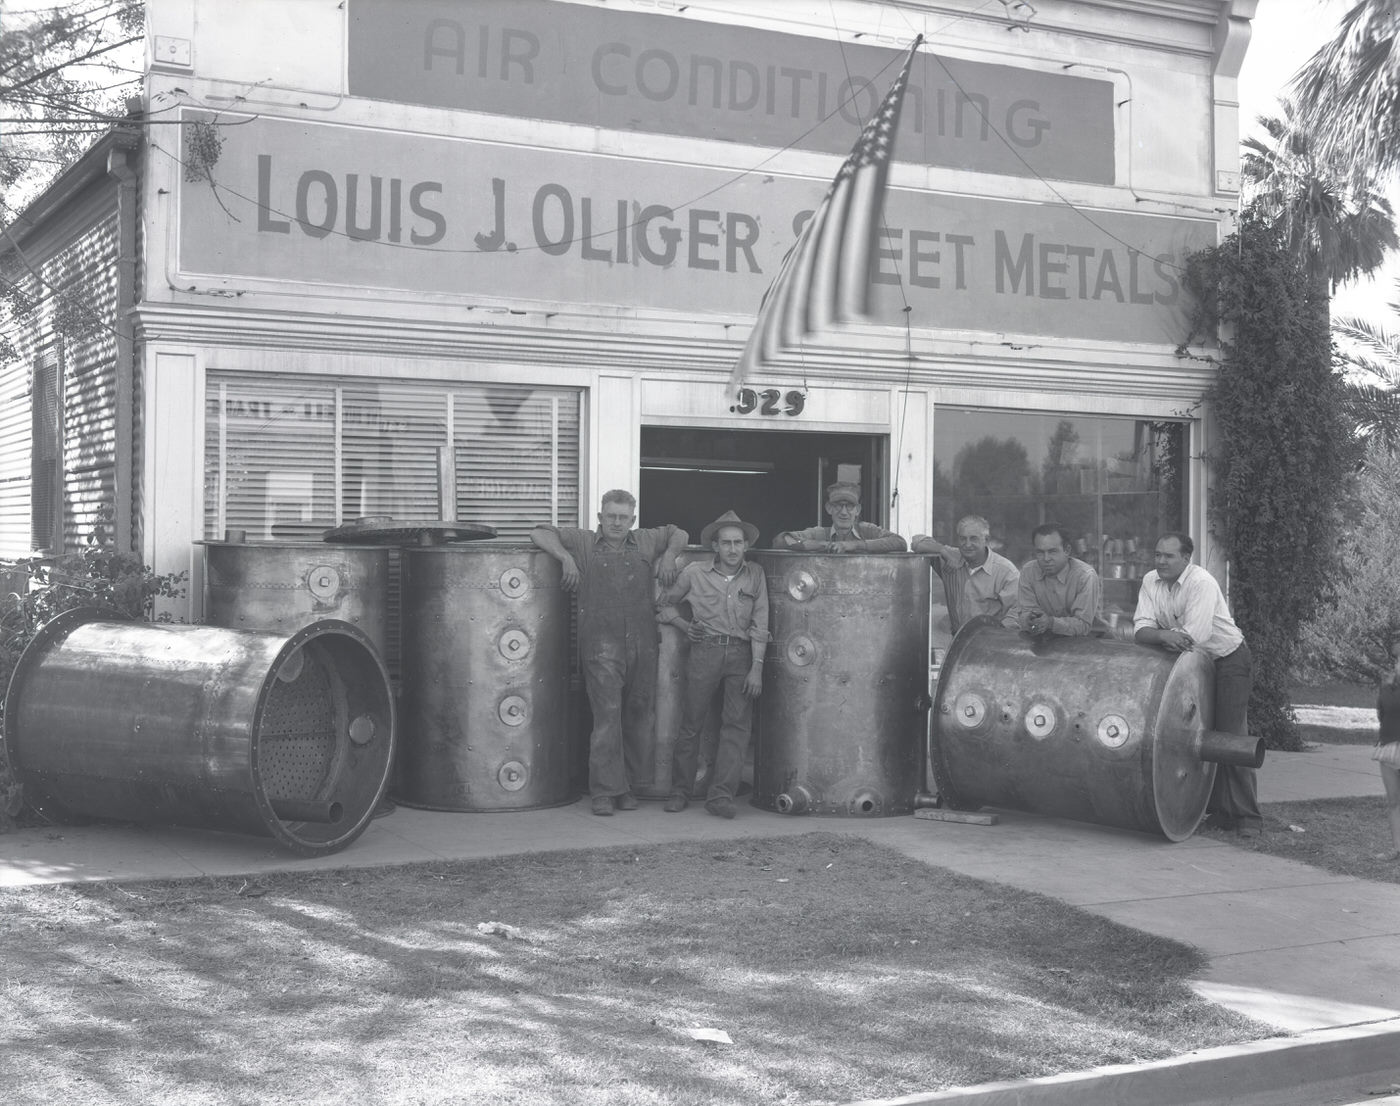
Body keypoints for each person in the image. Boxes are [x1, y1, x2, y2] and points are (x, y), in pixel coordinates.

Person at [531, 491, 687, 816]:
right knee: (606, 717)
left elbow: (679, 532)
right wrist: (565, 558)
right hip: (601, 645)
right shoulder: (583, 542)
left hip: (643, 642)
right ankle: (604, 791)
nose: (617, 522)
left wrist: (671, 556)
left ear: (632, 519)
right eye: (611, 516)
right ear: (600, 516)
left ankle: (627, 787)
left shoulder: (645, 541)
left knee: (639, 715)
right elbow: (539, 532)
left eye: (623, 517)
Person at [1132, 531, 1262, 836]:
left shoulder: (1201, 582)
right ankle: (1218, 812)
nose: (1161, 561)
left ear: (1186, 558)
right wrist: (1164, 635)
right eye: (1158, 554)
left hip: (1225, 660)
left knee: (1230, 736)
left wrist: (1163, 635)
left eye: (1169, 556)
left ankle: (1248, 818)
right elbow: (1140, 630)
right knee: (1197, 737)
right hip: (1188, 664)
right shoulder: (1151, 581)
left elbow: (1195, 637)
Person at [656, 510, 769, 820]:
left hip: (741, 654)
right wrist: (682, 624)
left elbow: (761, 623)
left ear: (746, 545)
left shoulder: (755, 574)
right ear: (715, 546)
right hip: (704, 652)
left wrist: (756, 668)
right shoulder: (694, 573)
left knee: (736, 726)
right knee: (692, 722)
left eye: (737, 543)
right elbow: (663, 603)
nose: (732, 549)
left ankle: (721, 796)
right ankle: (681, 790)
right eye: (725, 543)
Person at [910, 516, 1019, 632]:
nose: (967, 544)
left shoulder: (1006, 571)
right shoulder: (950, 557)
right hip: (959, 641)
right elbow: (917, 542)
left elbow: (1017, 612)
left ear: (986, 540)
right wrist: (943, 550)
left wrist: (997, 635)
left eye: (973, 539)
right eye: (963, 539)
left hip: (992, 641)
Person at [1016, 523, 1102, 637]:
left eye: (1052, 551)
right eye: (1040, 552)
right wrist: (1029, 619)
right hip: (1044, 641)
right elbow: (1025, 613)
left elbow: (1083, 625)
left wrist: (1051, 622)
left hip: (1090, 642)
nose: (1046, 559)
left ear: (1067, 550)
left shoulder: (1085, 576)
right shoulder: (1028, 571)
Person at [771, 482, 906, 553]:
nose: (843, 512)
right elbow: (781, 540)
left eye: (849, 506)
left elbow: (900, 543)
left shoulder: (867, 531)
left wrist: (852, 545)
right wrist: (821, 545)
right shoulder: (818, 533)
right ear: (829, 508)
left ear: (857, 510)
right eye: (838, 506)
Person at [1375, 636, 1400, 861]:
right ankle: (1397, 848)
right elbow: (1381, 714)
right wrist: (1388, 687)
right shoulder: (1388, 684)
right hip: (1389, 747)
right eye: (1396, 657)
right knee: (1393, 800)